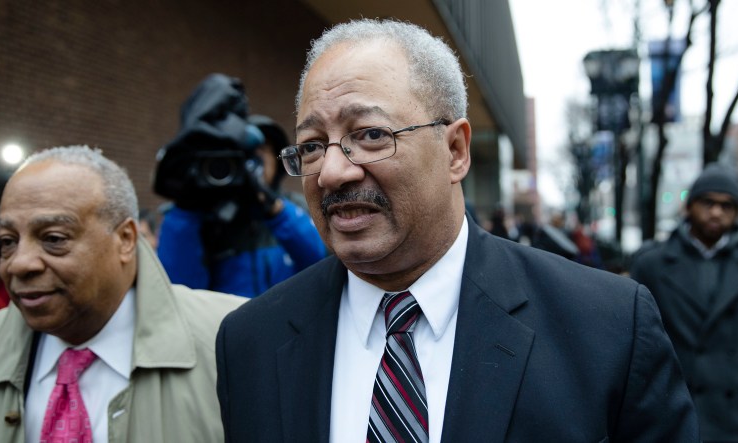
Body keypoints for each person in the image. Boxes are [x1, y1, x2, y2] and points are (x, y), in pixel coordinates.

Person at [216, 18, 699, 442]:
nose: (333, 173)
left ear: (455, 151)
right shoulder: (249, 343)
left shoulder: (608, 327)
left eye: (370, 135)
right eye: (313, 145)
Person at [0, 145, 245, 442]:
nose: (20, 263)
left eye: (53, 239)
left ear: (125, 239)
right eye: (8, 241)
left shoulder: (236, 338)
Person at [155, 74, 326, 298]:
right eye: (249, 155)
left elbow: (320, 262)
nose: (256, 162)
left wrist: (272, 209)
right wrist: (188, 207)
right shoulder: (208, 215)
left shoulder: (292, 208)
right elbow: (180, 291)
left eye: (264, 152)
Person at [630, 163, 738, 442]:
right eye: (707, 202)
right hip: (675, 409)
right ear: (689, 206)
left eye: (726, 205)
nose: (716, 212)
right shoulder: (652, 264)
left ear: (737, 212)